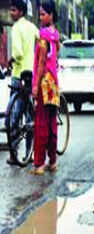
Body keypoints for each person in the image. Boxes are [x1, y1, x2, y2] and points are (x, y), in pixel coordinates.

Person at [6, 0, 39, 165]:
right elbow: (40, 41)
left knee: (14, 115)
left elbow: (17, 52)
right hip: (31, 74)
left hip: (19, 74)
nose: (11, 13)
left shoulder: (16, 28)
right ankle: (29, 153)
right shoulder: (32, 27)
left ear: (20, 12)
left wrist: (11, 59)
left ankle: (13, 155)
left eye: (13, 10)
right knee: (29, 115)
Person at [31, 0, 60, 175]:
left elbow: (41, 62)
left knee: (41, 123)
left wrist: (35, 85)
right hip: (54, 84)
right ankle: (53, 161)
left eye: (43, 14)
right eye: (40, 14)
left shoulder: (43, 35)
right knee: (52, 123)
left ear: (50, 15)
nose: (41, 17)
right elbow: (55, 56)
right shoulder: (55, 34)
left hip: (44, 83)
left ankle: (39, 164)